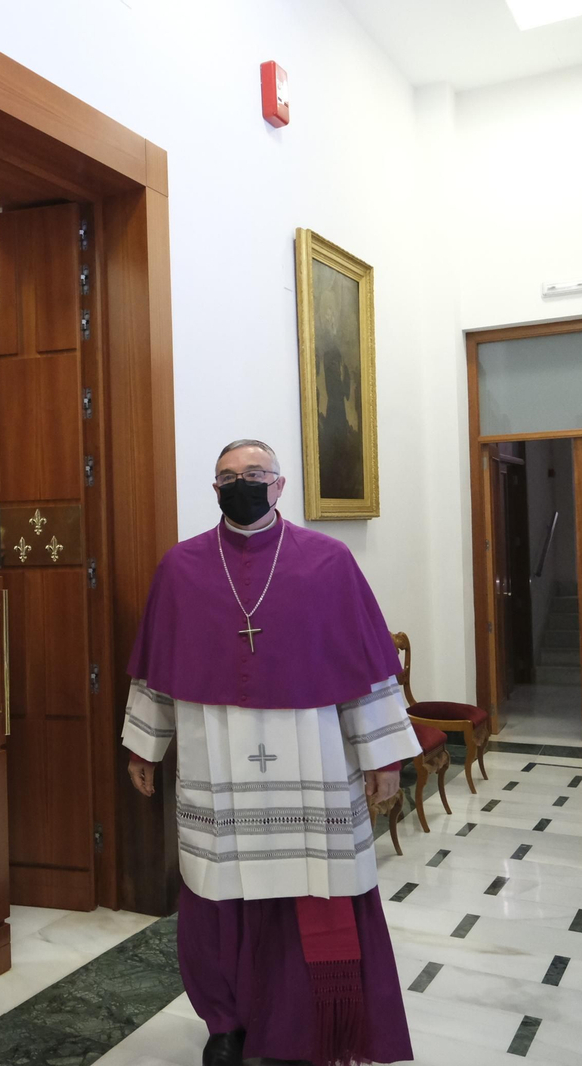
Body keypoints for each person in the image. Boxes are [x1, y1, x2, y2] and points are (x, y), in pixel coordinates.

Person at [123, 439, 418, 1066]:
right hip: (215, 767)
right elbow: (156, 673)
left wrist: (384, 759)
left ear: (279, 485)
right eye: (228, 476)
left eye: (254, 474)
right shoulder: (181, 568)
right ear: (214, 488)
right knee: (217, 901)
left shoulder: (328, 563)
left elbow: (365, 671)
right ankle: (224, 1022)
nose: (242, 484)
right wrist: (145, 749)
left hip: (311, 767)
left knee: (312, 894)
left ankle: (308, 1025)